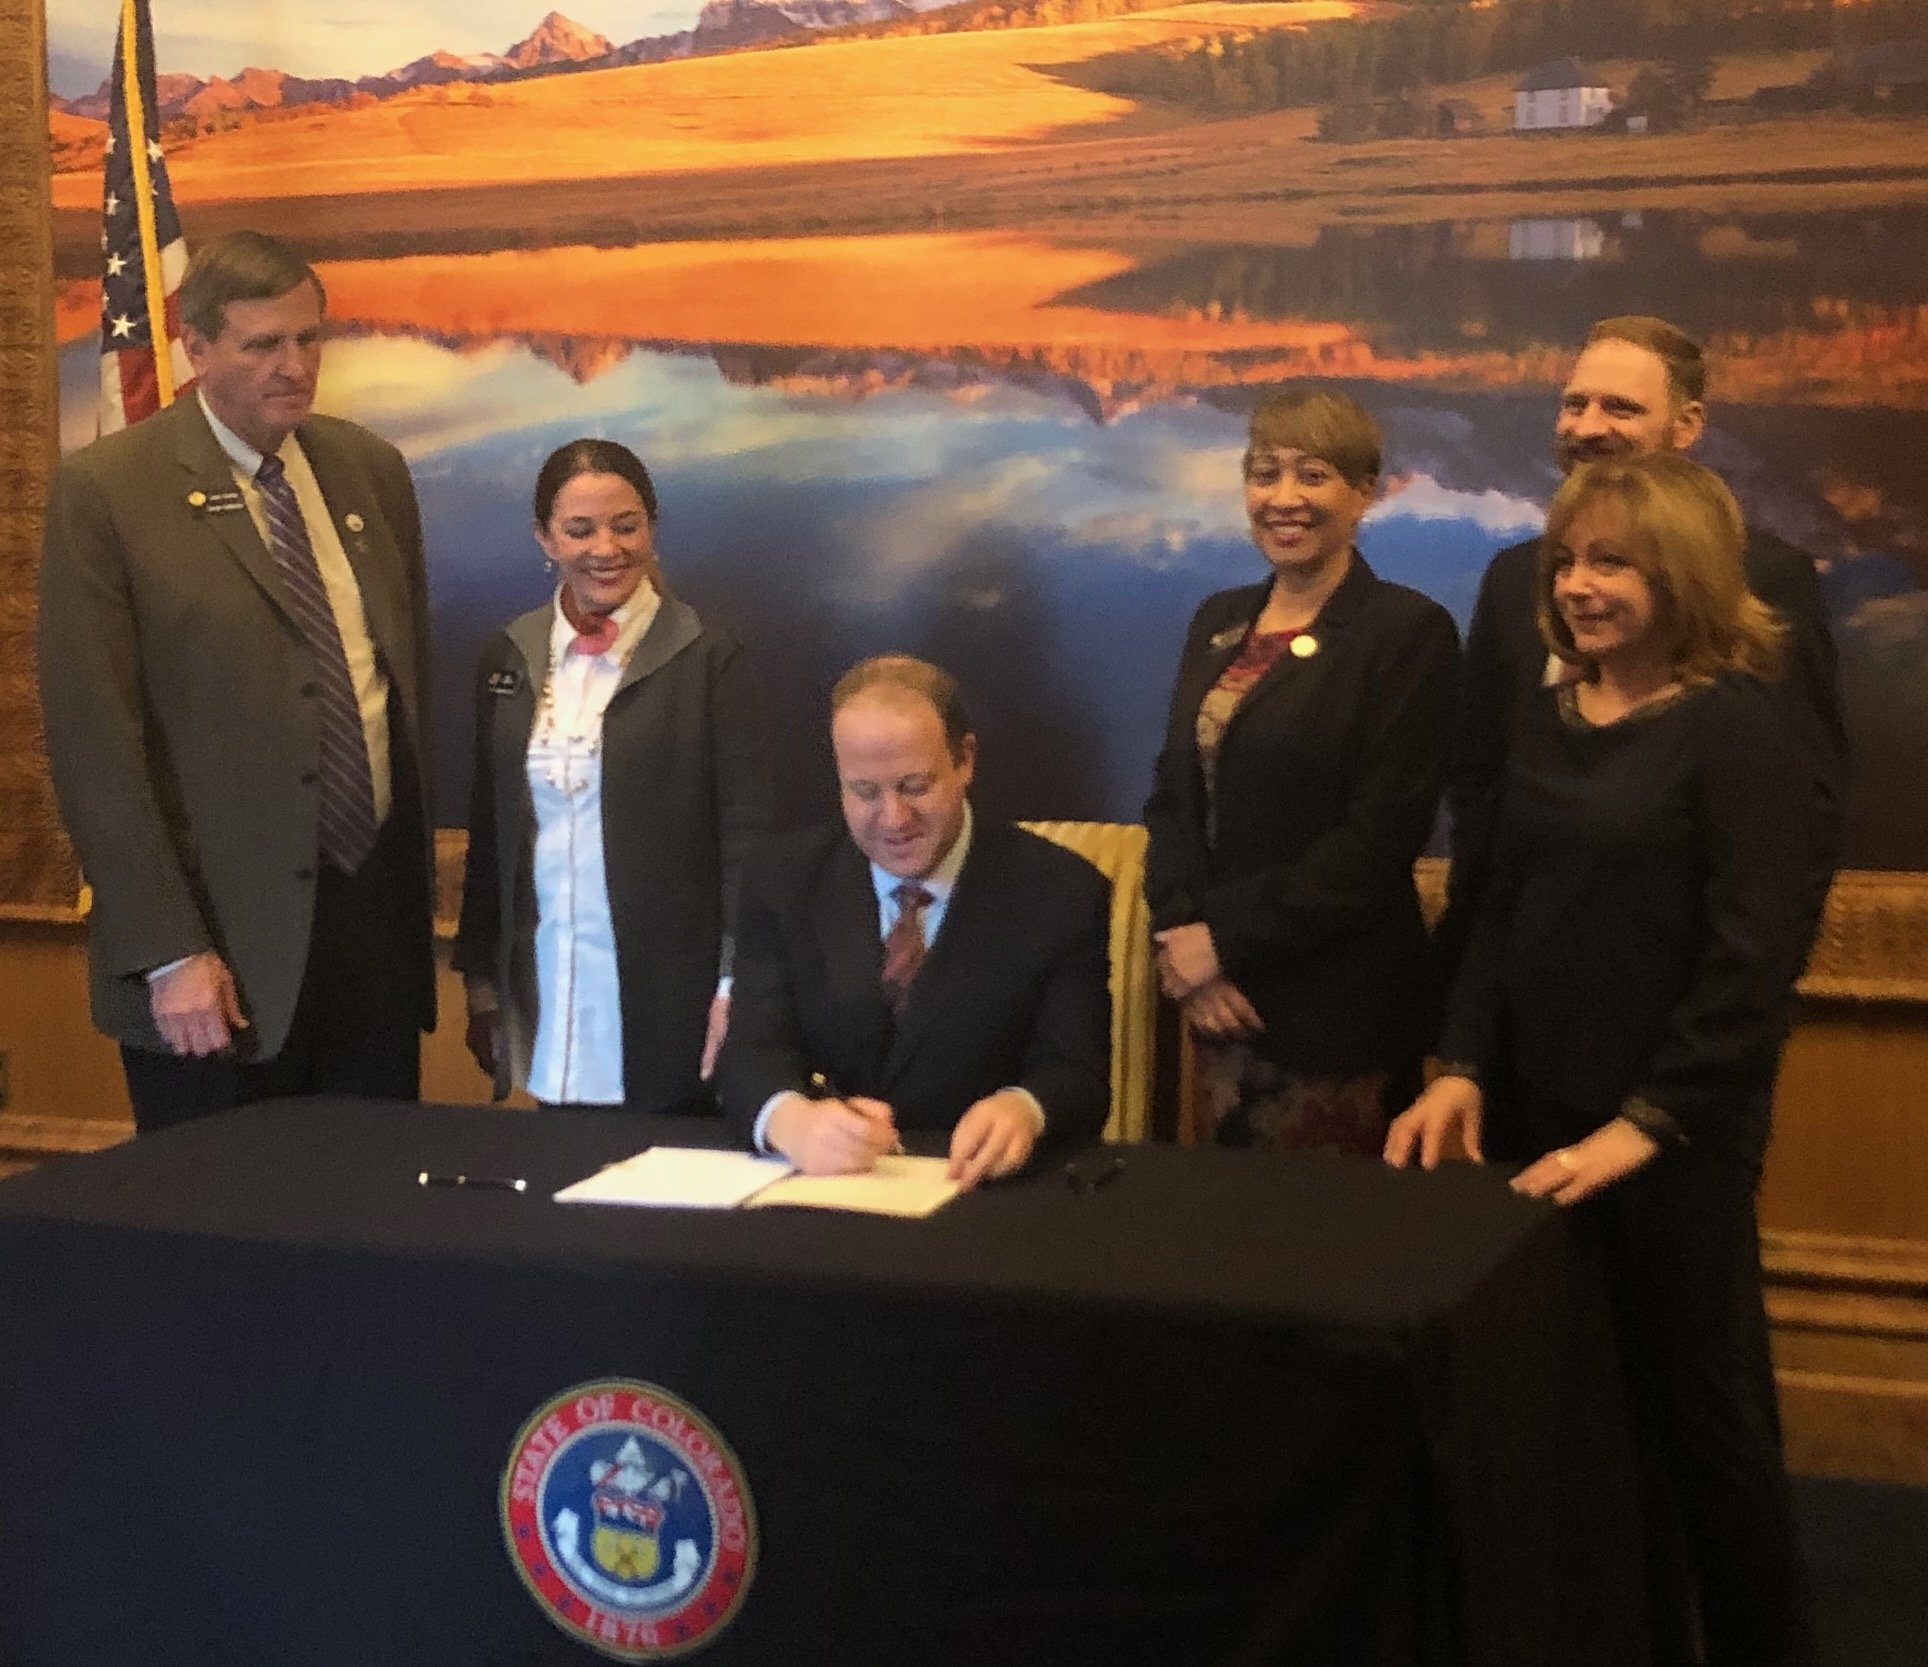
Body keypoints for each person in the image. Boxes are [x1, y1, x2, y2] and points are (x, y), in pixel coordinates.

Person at [1386, 453, 1823, 1667]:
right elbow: (1501, 903)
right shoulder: (1549, 709)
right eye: (1566, 560)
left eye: (1610, 561)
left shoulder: (1740, 723)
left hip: (1669, 1140)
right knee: (1573, 1415)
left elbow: (1751, 962)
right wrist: (1460, 1060)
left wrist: (1641, 1123)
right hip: (1534, 1117)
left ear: (1677, 572)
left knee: (1706, 1425)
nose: (1577, 585)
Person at [38, 230, 435, 1132]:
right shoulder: (109, 493)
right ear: (197, 348)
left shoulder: (370, 469)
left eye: (310, 338)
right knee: (224, 1231)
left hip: (367, 930)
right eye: (264, 344)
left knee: (373, 1217)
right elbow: (95, 744)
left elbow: (398, 695)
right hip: (215, 953)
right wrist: (167, 949)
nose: (294, 366)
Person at [1443, 313, 1844, 971]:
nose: (1589, 426)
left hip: (1679, 987)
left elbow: (1804, 813)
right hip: (1512, 979)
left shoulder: (1767, 579)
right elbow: (1479, 777)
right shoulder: (1516, 577)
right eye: (1575, 403)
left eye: (1620, 408)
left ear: (1685, 427)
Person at [1141, 385, 1460, 1154]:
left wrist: (1226, 939)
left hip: (1336, 1013)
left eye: (1313, 475)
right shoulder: (1219, 620)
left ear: (1365, 493)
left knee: (1325, 1255)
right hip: (1215, 1006)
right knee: (1220, 1242)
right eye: (1265, 473)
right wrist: (1185, 941)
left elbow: (1378, 837)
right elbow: (1173, 797)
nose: (1284, 498)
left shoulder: (1407, 632)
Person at [454, 439, 770, 1112]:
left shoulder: (708, 655)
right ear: (544, 537)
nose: (607, 547)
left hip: (669, 999)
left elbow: (749, 843)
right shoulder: (508, 655)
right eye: (580, 529)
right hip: (553, 992)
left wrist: (734, 982)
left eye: (626, 525)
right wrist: (482, 983)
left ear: (652, 526)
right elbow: (495, 833)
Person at [714, 655, 1111, 1184]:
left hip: (982, 1195)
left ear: (964, 761)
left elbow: (1078, 1074)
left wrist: (1026, 1108)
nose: (894, 818)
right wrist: (792, 1121)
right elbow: (748, 1053)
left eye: (915, 786)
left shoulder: (1060, 890)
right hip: (825, 1194)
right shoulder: (783, 881)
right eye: (865, 792)